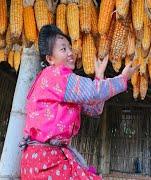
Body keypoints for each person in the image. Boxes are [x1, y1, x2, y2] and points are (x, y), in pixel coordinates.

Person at [20, 25, 139, 179]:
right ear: (50, 59)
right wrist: (122, 79)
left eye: (70, 47)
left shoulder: (61, 85)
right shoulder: (56, 76)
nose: (71, 53)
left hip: (44, 159)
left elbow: (94, 109)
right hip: (45, 160)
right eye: (63, 49)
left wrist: (99, 76)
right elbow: (94, 92)